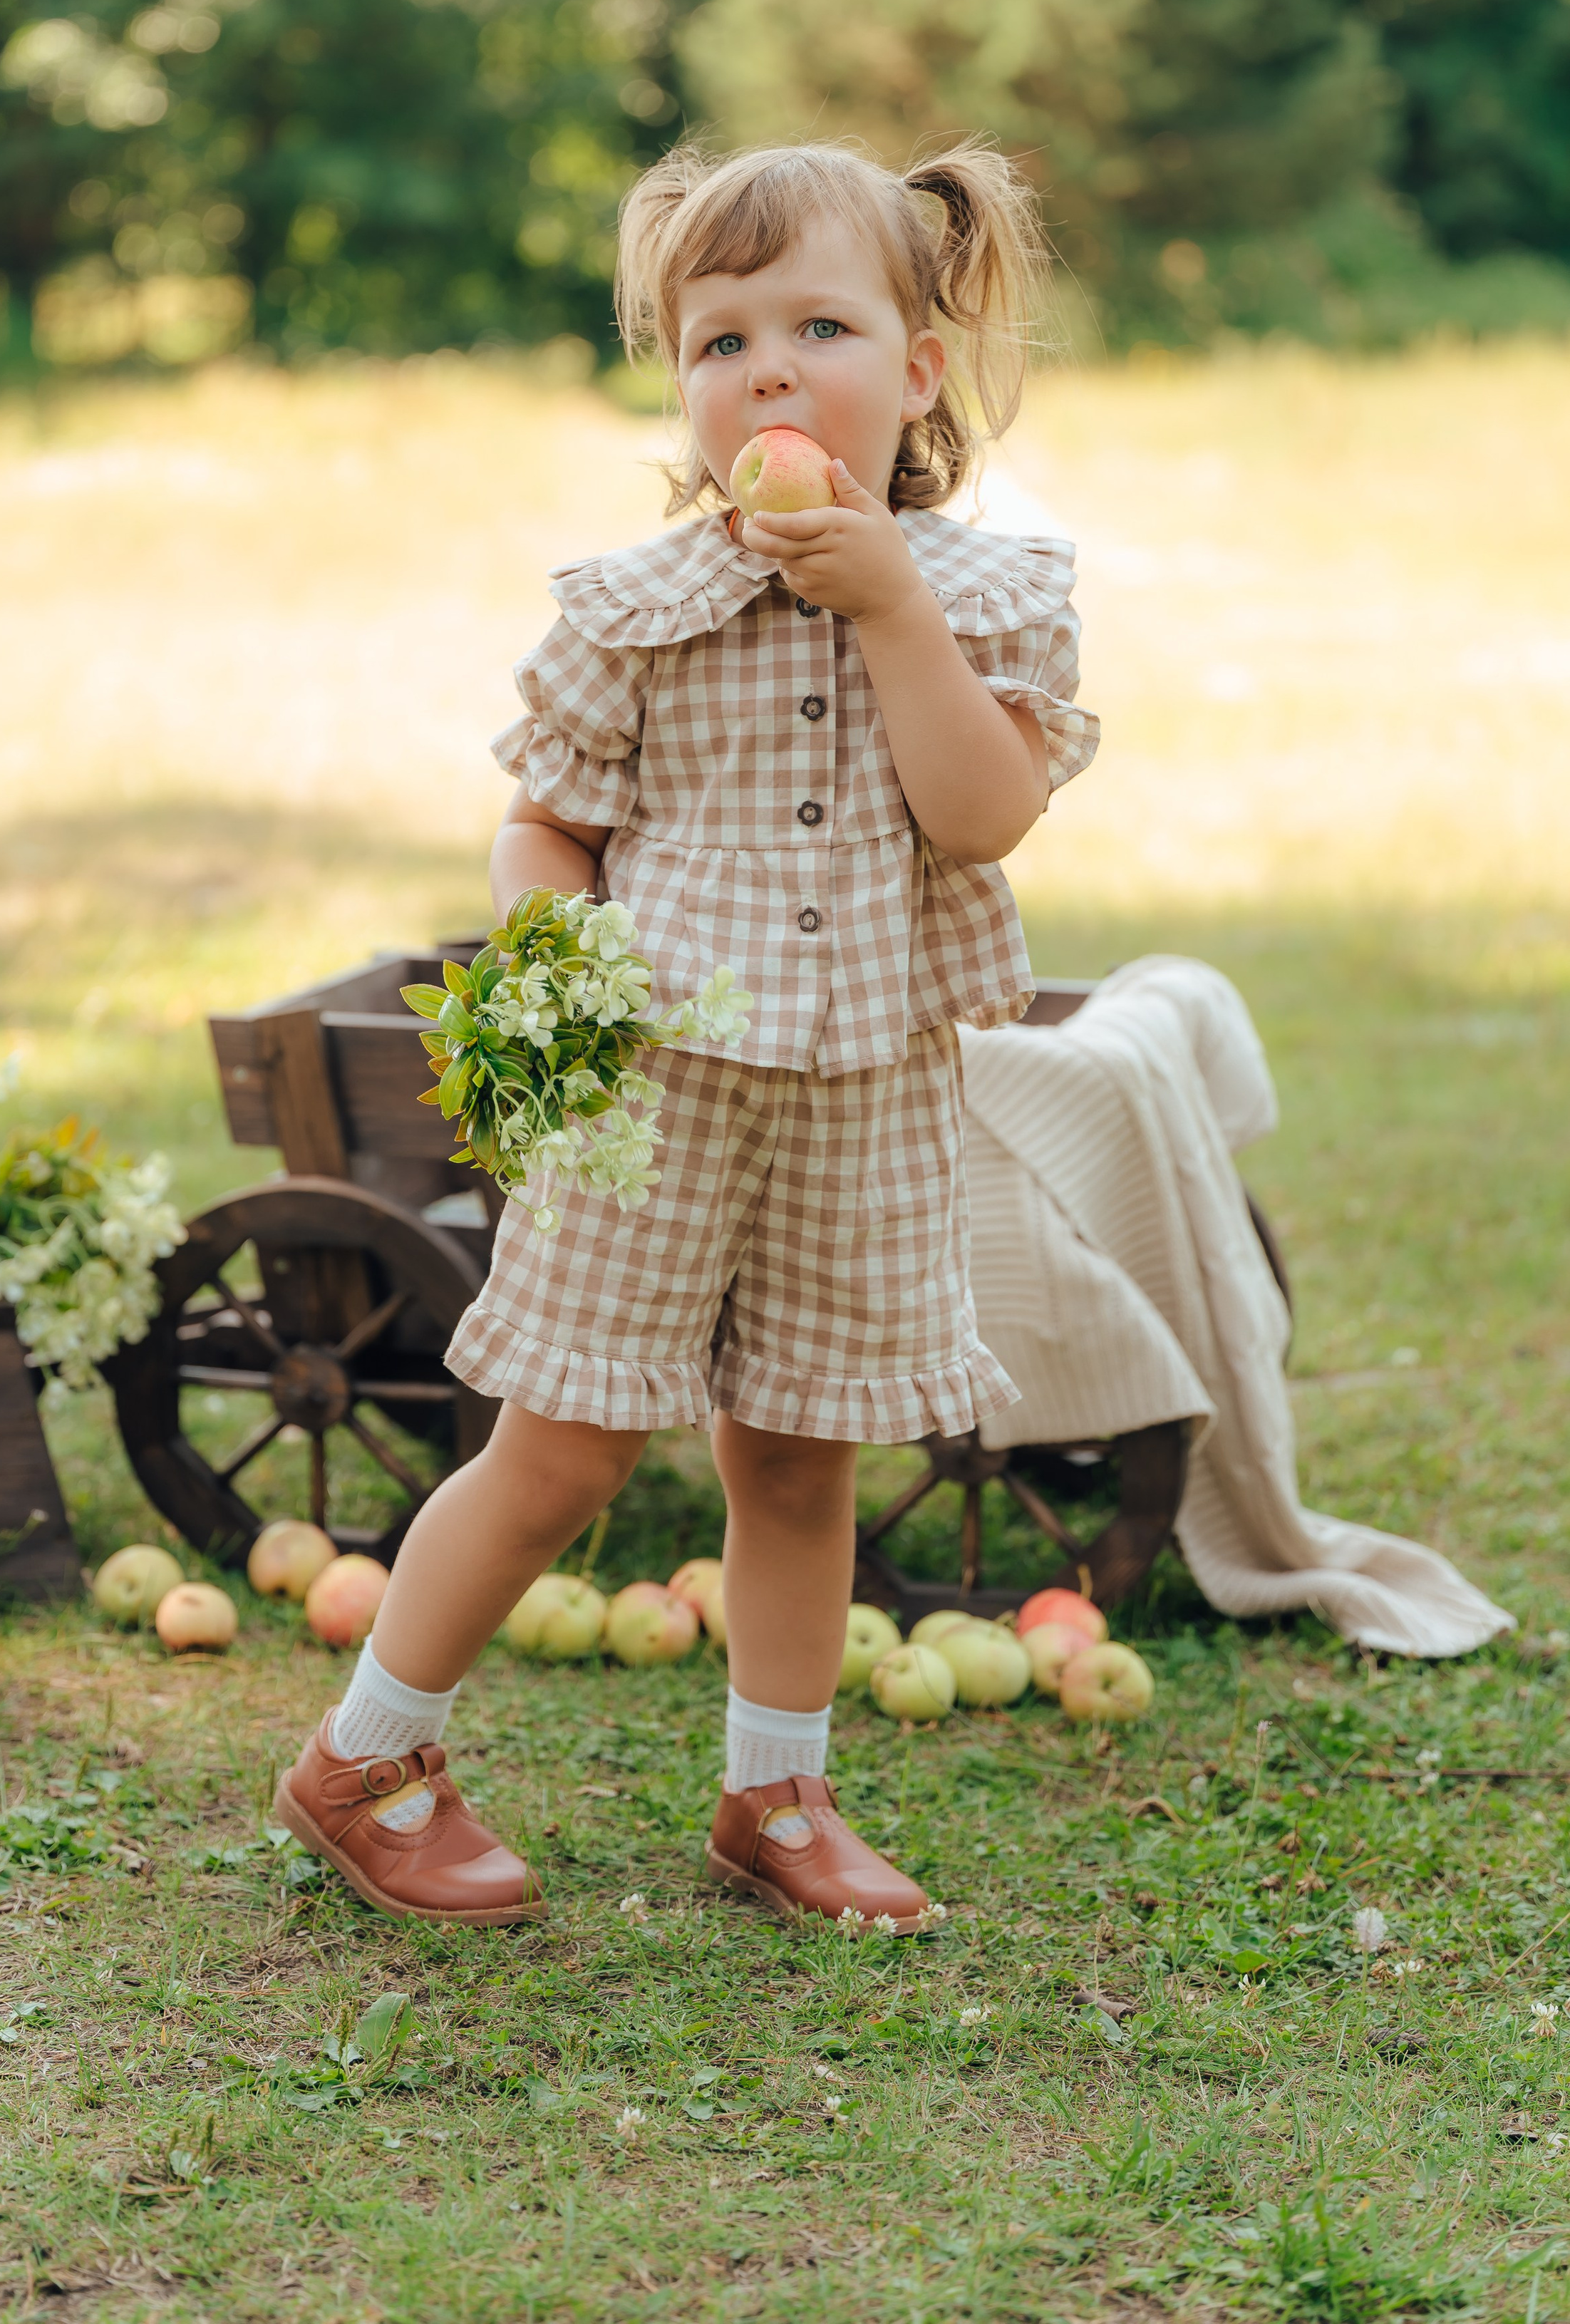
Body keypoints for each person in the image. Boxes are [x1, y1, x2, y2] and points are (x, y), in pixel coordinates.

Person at [275, 138, 1100, 1928]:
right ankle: (368, 1755)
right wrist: (550, 931)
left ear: (918, 369)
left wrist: (883, 600)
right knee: (561, 1446)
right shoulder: (636, 612)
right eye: (719, 339)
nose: (768, 370)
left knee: (799, 1456)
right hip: (652, 1102)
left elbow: (978, 818)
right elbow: (546, 822)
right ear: (679, 384)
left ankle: (773, 1799)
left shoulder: (987, 599)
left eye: (818, 324)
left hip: (863, 1094)